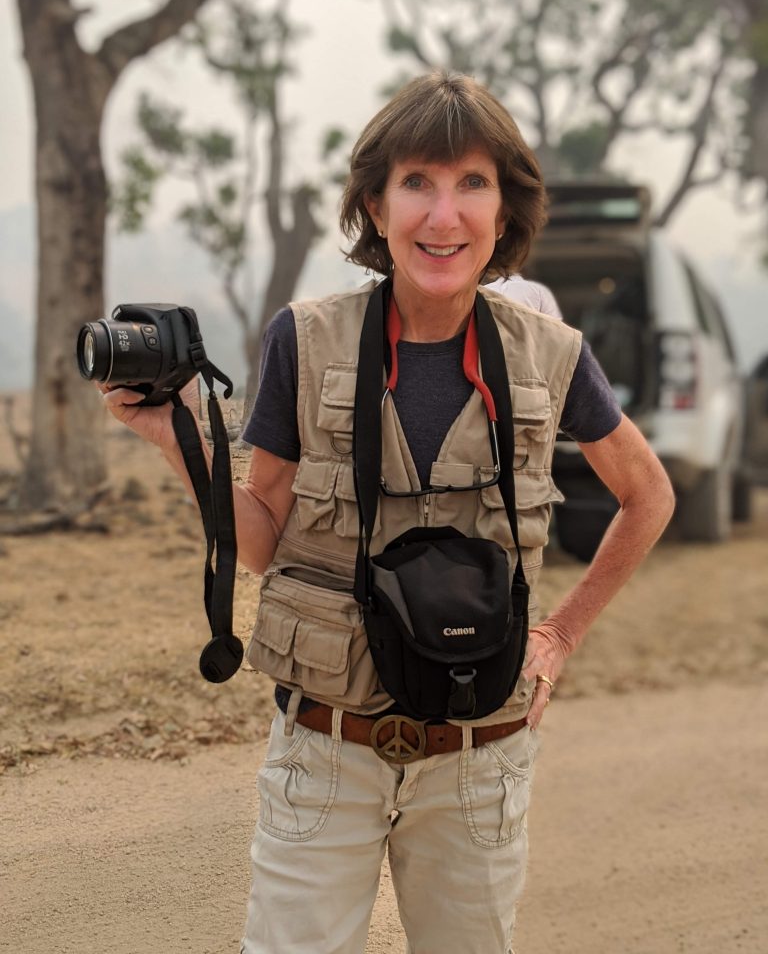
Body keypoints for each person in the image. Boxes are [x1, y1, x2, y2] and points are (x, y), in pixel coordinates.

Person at [101, 71, 675, 954]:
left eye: (471, 184)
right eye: (417, 183)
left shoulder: (552, 355)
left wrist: (559, 636)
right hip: (326, 752)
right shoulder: (306, 338)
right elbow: (262, 545)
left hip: (481, 760)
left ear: (502, 209)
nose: (443, 217)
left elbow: (649, 495)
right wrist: (175, 436)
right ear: (374, 204)